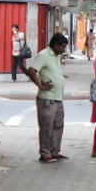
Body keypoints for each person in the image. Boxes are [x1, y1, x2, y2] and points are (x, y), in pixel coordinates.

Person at [27, 33, 69, 163]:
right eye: (62, 46)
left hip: (58, 97)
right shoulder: (44, 55)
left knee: (58, 125)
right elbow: (32, 70)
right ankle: (45, 153)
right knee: (46, 127)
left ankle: (55, 152)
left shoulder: (56, 56)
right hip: (47, 99)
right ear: (55, 45)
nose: (64, 49)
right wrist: (40, 85)